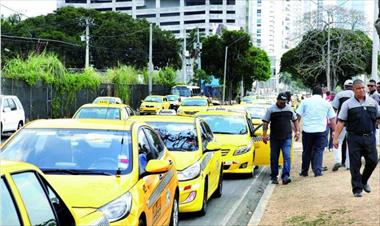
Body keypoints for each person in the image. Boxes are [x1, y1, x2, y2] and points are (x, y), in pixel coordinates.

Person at [333, 79, 379, 197]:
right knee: (355, 164)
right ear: (353, 90)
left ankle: (363, 181)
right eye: (358, 88)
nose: (362, 90)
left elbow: (378, 118)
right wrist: (335, 137)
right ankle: (357, 189)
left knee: (373, 160)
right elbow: (341, 122)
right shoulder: (347, 104)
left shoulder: (373, 102)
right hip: (354, 138)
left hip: (370, 137)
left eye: (363, 88)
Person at [296, 86, 336, 177]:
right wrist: (334, 131)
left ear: (312, 93)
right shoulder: (326, 103)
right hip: (321, 130)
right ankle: (317, 171)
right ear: (322, 94)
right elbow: (332, 119)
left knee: (306, 151)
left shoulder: (305, 102)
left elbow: (297, 116)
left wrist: (297, 129)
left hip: (307, 130)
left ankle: (304, 171)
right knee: (318, 150)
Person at [262, 93, 300, 185]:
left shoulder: (289, 108)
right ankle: (274, 176)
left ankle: (285, 176)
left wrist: (297, 132)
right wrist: (264, 134)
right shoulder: (271, 110)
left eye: (284, 102)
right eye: (281, 102)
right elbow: (265, 122)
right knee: (274, 158)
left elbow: (295, 121)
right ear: (277, 100)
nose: (283, 104)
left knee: (287, 157)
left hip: (287, 137)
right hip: (274, 138)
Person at [331, 79, 353, 171]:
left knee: (337, 141)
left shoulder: (339, 95)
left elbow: (334, 109)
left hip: (341, 122)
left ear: (344, 86)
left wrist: (333, 122)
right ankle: (348, 165)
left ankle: (338, 161)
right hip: (353, 123)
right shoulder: (356, 95)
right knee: (350, 143)